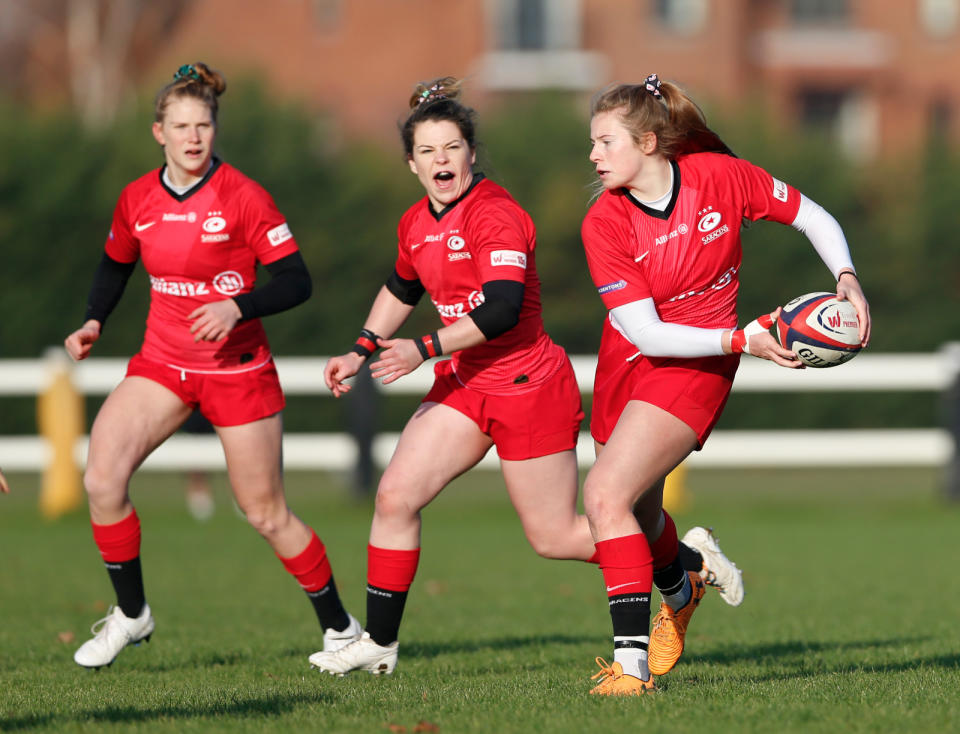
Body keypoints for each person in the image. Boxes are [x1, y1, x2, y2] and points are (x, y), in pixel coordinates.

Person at [306, 77, 738, 678]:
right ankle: (379, 645)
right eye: (428, 152)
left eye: (452, 148)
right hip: (465, 385)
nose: (441, 161)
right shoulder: (415, 222)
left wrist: (422, 348)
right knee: (395, 497)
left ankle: (680, 565)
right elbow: (403, 285)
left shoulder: (497, 215)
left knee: (557, 536)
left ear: (472, 154)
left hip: (527, 386)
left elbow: (502, 308)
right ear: (411, 163)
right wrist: (361, 348)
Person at [580, 74, 871, 695]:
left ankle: (630, 669)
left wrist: (845, 276)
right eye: (593, 143)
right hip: (631, 361)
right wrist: (744, 337)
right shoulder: (603, 222)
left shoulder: (720, 177)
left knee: (603, 496)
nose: (594, 155)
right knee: (637, 509)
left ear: (650, 142)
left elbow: (812, 216)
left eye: (605, 142)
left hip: (697, 370)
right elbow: (646, 333)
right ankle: (684, 583)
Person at [63, 62, 360, 669]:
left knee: (265, 513)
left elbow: (297, 282)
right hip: (163, 364)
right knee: (101, 480)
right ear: (159, 133)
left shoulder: (244, 197)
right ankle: (130, 614)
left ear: (214, 129)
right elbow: (116, 262)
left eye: (203, 125)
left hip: (238, 371)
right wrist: (95, 317)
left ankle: (342, 629)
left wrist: (237, 306)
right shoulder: (137, 199)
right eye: (180, 126)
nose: (193, 137)